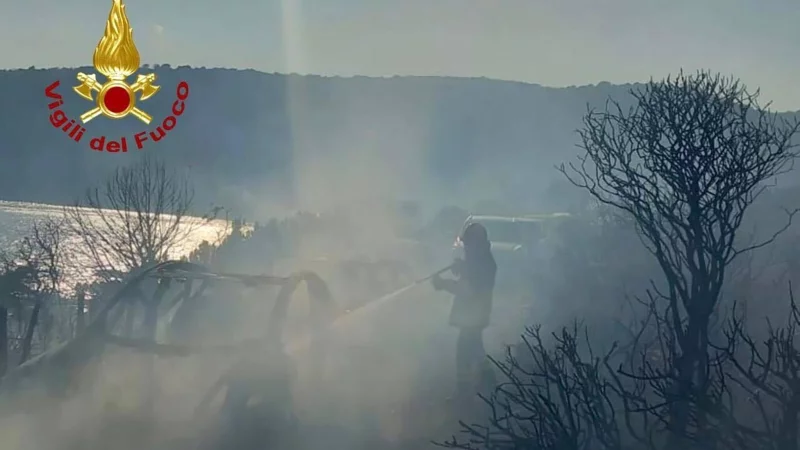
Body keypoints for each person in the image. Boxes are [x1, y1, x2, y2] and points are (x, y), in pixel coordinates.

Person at [432, 222, 498, 400]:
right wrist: (462, 267)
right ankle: (489, 383)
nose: (466, 247)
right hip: (475, 316)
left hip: (473, 316)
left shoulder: (482, 263)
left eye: (468, 243)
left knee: (463, 353)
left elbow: (468, 290)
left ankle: (464, 393)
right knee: (476, 349)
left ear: (476, 243)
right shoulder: (481, 259)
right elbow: (471, 276)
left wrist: (443, 284)